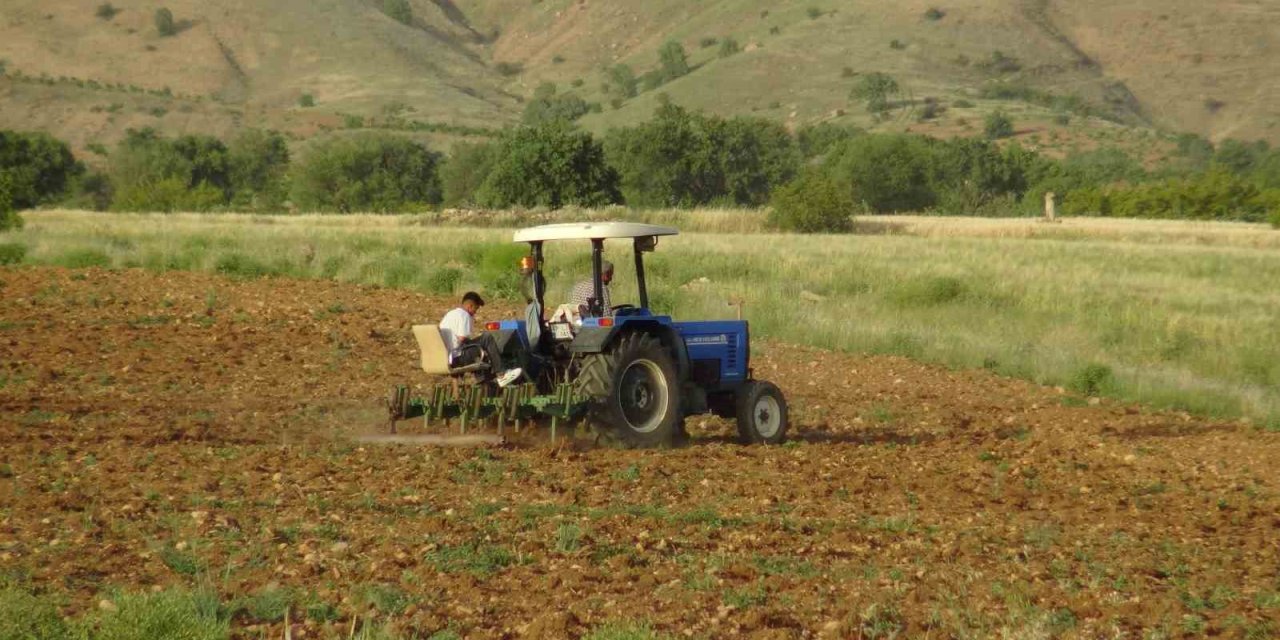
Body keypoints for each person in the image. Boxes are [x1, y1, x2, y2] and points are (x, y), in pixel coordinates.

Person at [439, 291, 522, 387]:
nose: (476, 312)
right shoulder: (464, 315)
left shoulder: (450, 314)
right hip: (458, 357)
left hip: (447, 357)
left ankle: (483, 382)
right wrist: (479, 344)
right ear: (470, 306)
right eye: (476, 308)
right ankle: (501, 374)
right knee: (487, 338)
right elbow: (462, 339)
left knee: (479, 349)